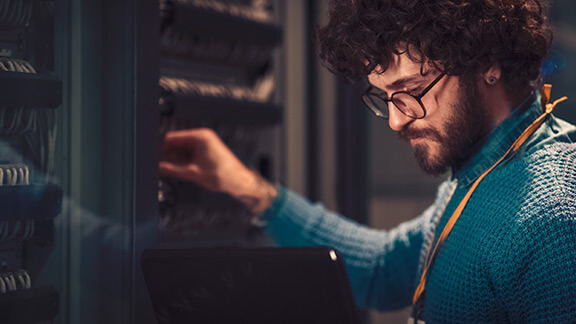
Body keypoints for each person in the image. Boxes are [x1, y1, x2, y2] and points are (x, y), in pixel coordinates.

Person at [159, 0, 576, 322]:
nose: (396, 120)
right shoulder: (479, 173)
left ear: (488, 62)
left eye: (411, 90)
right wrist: (250, 190)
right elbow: (381, 270)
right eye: (385, 97)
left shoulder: (550, 218)